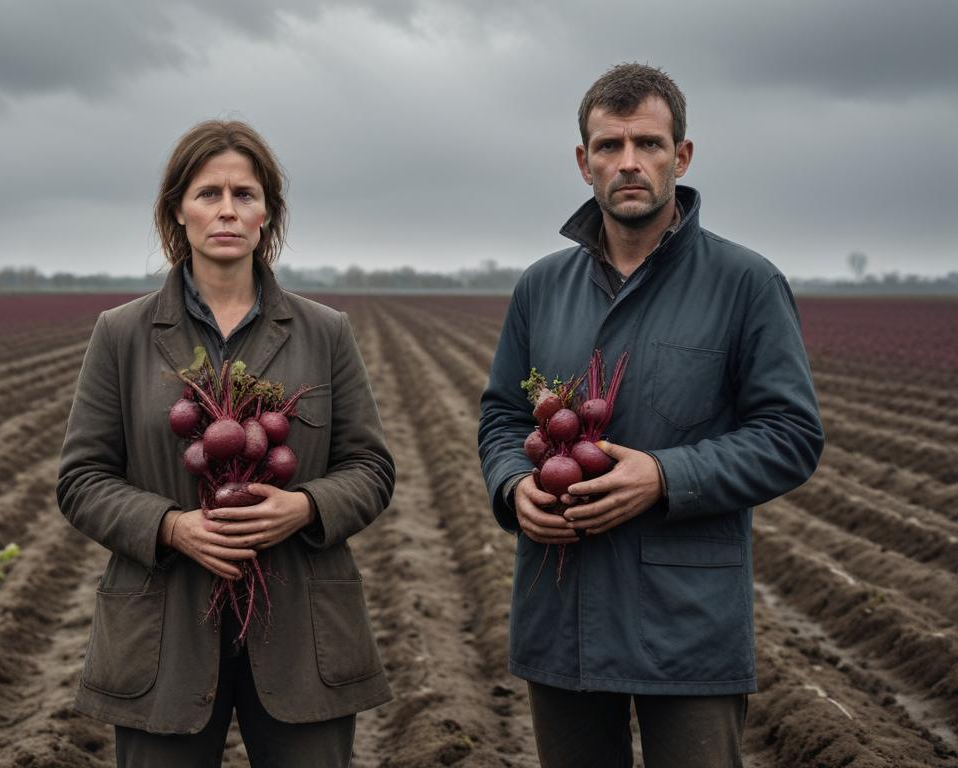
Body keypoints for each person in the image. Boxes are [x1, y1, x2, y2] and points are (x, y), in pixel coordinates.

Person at [477, 63, 824, 767]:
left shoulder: (745, 283)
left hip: (687, 622)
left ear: (682, 156)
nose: (628, 162)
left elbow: (791, 435)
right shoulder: (543, 287)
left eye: (649, 143)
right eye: (609, 146)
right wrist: (513, 488)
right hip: (560, 607)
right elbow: (502, 417)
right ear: (583, 162)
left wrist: (665, 476)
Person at [56, 119, 394, 768]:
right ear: (177, 211)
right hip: (163, 631)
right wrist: (171, 526)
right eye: (209, 194)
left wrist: (307, 508)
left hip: (302, 629)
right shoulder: (122, 334)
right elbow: (81, 479)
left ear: (268, 214)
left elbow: (371, 467)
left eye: (245, 194)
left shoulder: (324, 333)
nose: (227, 211)